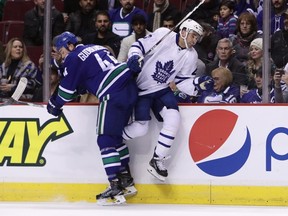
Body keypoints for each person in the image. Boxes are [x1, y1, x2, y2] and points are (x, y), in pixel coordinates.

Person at [46, 31, 138, 205]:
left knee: (104, 140)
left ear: (70, 46)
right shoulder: (93, 47)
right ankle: (126, 180)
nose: (62, 56)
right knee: (115, 138)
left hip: (113, 92)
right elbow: (89, 76)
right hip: (129, 88)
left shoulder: (73, 57)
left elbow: (65, 92)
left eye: (62, 51)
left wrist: (54, 105)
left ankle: (115, 185)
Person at [122, 19, 213, 181]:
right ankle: (117, 137)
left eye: (197, 38)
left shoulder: (192, 56)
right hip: (140, 89)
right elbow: (139, 46)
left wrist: (197, 85)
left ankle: (157, 160)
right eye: (193, 36)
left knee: (174, 118)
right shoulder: (165, 34)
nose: (195, 40)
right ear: (183, 31)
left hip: (161, 90)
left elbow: (181, 81)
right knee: (141, 128)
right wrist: (134, 57)